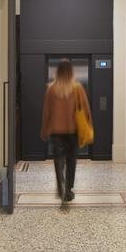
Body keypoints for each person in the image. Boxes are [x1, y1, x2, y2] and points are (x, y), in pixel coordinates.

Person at [40, 60, 92, 201]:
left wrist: (44, 130)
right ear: (71, 72)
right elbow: (86, 109)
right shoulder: (77, 88)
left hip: (56, 131)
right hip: (72, 131)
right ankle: (68, 190)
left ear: (57, 72)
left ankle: (60, 185)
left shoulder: (51, 89)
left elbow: (46, 112)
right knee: (71, 161)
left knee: (58, 161)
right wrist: (89, 126)